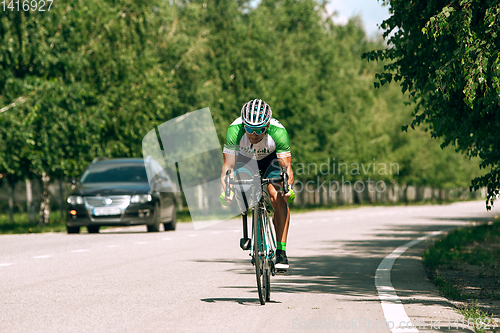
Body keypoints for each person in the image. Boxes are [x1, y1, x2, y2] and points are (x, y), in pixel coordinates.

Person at [220, 99, 294, 271]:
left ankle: (281, 250)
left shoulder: (279, 132)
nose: (254, 134)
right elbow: (227, 167)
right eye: (249, 129)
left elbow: (286, 168)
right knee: (241, 189)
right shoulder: (234, 131)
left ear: (267, 126)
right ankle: (248, 225)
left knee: (276, 197)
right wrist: (227, 191)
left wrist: (287, 188)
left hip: (271, 160)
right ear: (243, 125)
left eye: (259, 130)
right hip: (245, 160)